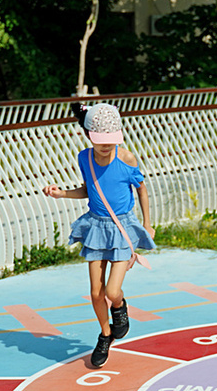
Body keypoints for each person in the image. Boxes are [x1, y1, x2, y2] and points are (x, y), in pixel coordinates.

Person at [45, 102, 156, 368]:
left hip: (122, 229)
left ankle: (120, 307)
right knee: (96, 293)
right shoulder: (84, 158)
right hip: (96, 227)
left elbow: (141, 189)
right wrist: (63, 194)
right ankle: (105, 335)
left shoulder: (126, 158)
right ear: (88, 135)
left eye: (111, 140)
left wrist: (148, 224)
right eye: (100, 141)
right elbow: (89, 188)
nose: (106, 146)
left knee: (112, 290)